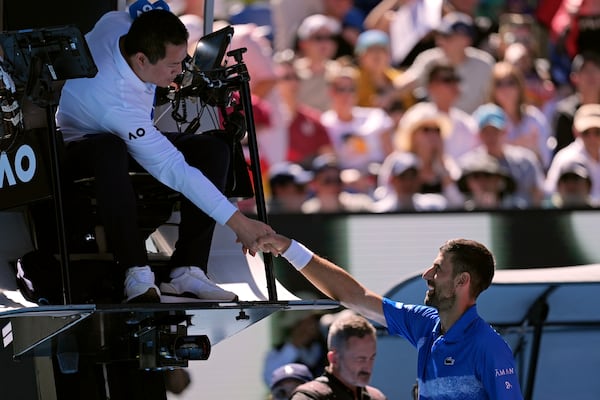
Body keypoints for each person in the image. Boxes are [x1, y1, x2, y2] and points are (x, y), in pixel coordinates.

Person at [55, 8, 275, 303]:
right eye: (173, 65)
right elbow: (176, 171)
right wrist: (241, 224)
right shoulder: (116, 104)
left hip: (123, 134)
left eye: (182, 60)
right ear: (142, 59)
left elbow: (148, 7)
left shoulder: (117, 21)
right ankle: (135, 271)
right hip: (80, 147)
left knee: (213, 150)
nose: (180, 70)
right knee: (111, 150)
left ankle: (187, 269)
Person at [255, 236, 524, 400]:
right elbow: (355, 295)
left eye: (438, 268)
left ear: (461, 281)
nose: (427, 274)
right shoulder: (425, 324)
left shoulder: (490, 348)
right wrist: (288, 249)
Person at [290, 313, 387, 400]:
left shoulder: (377, 397)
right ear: (334, 358)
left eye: (372, 357)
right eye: (360, 359)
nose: (368, 366)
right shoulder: (308, 397)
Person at [545, 103, 600, 204]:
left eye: (597, 132)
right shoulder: (565, 158)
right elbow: (550, 197)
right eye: (586, 132)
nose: (592, 138)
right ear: (576, 132)